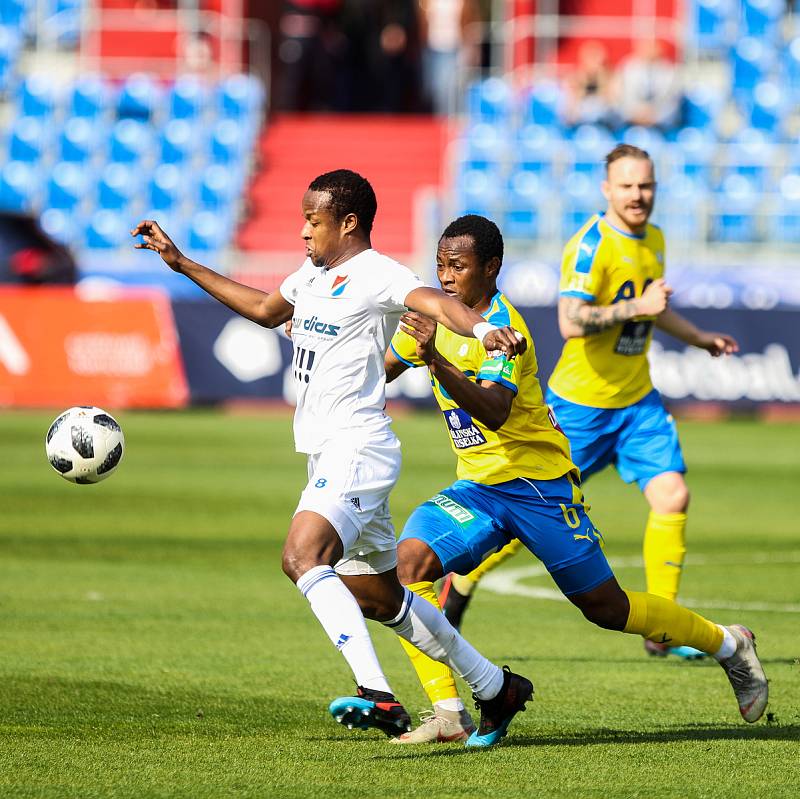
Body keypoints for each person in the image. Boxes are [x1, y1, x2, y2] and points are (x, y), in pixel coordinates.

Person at [131, 169, 532, 749]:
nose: (302, 231)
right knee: (379, 596)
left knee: (302, 556)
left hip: (357, 446)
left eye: (312, 221)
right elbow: (267, 310)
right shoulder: (311, 275)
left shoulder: (380, 275)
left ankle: (376, 692)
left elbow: (437, 304)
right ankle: (495, 686)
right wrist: (182, 263)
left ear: (347, 223)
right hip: (329, 451)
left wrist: (486, 328)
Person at [384, 213, 767, 744]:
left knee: (606, 608)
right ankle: (449, 712)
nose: (445, 277)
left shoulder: (505, 331)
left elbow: (494, 411)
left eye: (458, 266)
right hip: (478, 489)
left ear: (491, 267)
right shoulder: (432, 319)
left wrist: (437, 363)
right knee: (408, 567)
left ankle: (728, 644)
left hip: (539, 489)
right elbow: (383, 369)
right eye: (440, 266)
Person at [437, 145, 742, 662]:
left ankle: (664, 628)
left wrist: (697, 338)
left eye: (646, 185)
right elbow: (571, 320)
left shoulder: (655, 240)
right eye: (627, 186)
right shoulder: (590, 246)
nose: (638, 195)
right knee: (529, 518)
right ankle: (459, 588)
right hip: (580, 405)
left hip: (637, 402)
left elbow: (652, 311)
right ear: (607, 189)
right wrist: (636, 307)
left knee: (673, 497)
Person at [612, 38, 682, 131]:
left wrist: (655, 116)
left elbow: (673, 100)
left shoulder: (670, 72)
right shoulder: (627, 67)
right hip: (631, 119)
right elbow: (618, 95)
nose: (649, 52)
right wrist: (635, 113)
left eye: (653, 48)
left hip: (660, 123)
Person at [561, 40, 617, 130]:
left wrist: (601, 79)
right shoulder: (574, 78)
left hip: (603, 122)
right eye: (591, 58)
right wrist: (582, 83)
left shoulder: (610, 78)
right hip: (580, 122)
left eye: (596, 58)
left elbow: (611, 103)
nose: (594, 62)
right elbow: (570, 112)